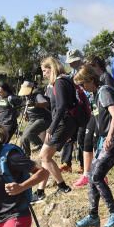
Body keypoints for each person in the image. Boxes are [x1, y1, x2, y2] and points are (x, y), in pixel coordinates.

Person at [72, 66, 114, 227]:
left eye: (83, 84)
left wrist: (110, 136)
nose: (82, 87)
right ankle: (93, 215)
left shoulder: (104, 91)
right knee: (91, 174)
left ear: (90, 80)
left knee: (97, 176)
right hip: (106, 139)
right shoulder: (95, 95)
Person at [37, 56, 76, 197]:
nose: (43, 74)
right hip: (63, 122)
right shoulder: (64, 81)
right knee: (44, 157)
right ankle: (40, 191)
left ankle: (62, 186)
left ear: (51, 69)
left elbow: (61, 107)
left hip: (62, 124)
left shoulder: (59, 83)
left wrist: (51, 128)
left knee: (45, 156)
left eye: (44, 71)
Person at [18, 81, 50, 158]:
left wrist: (35, 104)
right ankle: (26, 157)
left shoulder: (37, 96)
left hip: (43, 119)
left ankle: (39, 145)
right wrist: (25, 114)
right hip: (32, 120)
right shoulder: (25, 97)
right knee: (23, 139)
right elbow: (26, 108)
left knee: (29, 133)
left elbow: (45, 103)